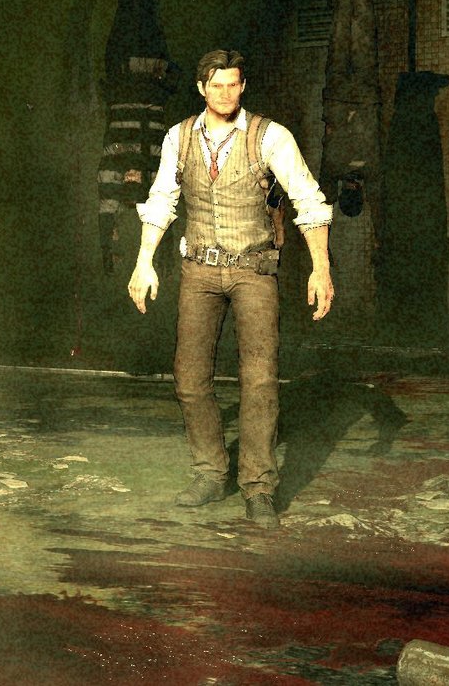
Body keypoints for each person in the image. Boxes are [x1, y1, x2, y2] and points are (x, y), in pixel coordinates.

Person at [128, 49, 334, 528]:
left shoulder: (270, 136)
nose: (225, 93)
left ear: (243, 86)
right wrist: (143, 263)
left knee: (259, 380)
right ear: (202, 88)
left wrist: (320, 269)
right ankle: (210, 472)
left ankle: (258, 488)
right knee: (189, 378)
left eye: (233, 84)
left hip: (253, 270)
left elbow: (309, 200)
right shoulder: (178, 137)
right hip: (199, 271)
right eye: (216, 85)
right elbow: (161, 201)